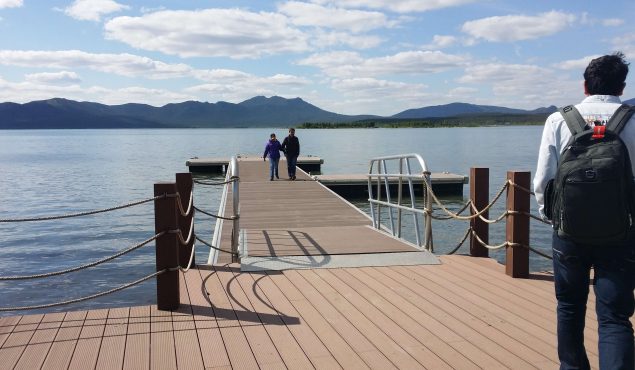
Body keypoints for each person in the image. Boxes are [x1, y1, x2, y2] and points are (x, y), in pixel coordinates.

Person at [534, 52, 635, 370]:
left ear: (584, 84)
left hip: (568, 232)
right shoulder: (632, 119)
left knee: (568, 306)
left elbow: (544, 180)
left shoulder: (558, 120)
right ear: (622, 86)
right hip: (622, 231)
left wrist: (552, 218)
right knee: (615, 316)